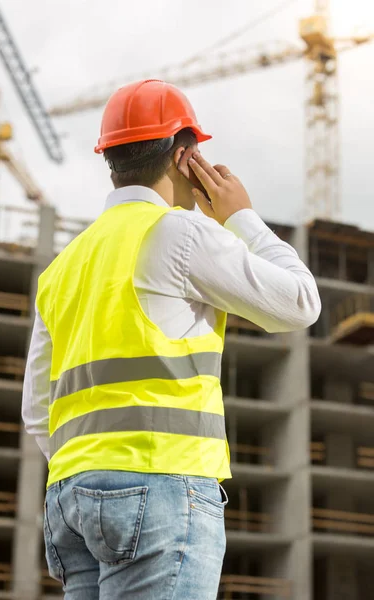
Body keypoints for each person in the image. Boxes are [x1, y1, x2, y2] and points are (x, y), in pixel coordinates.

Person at [22, 79, 321, 600]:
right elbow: (300, 303)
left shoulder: (62, 266)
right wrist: (240, 217)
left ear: (110, 159)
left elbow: (35, 410)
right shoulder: (181, 234)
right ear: (184, 157)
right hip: (161, 487)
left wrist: (95, 466)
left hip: (70, 498)